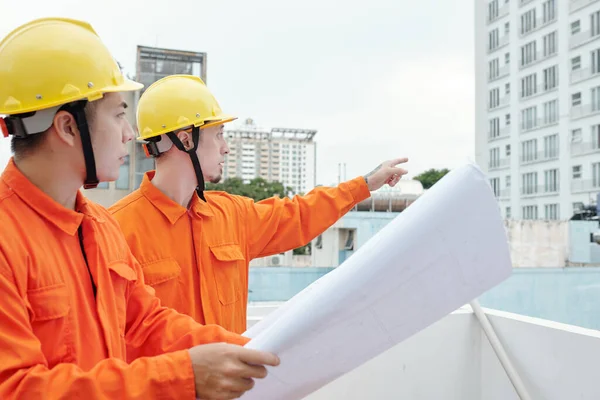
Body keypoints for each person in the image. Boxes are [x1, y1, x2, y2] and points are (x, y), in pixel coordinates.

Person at [0, 18, 278, 400]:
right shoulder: (6, 240)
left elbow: (145, 323)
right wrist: (181, 376)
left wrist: (249, 351)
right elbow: (14, 389)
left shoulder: (98, 226)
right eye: (118, 115)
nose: (130, 134)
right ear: (67, 126)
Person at [109, 74, 409, 335]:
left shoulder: (232, 216)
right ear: (186, 139)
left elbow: (299, 214)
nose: (226, 147)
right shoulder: (116, 230)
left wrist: (365, 184)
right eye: (219, 135)